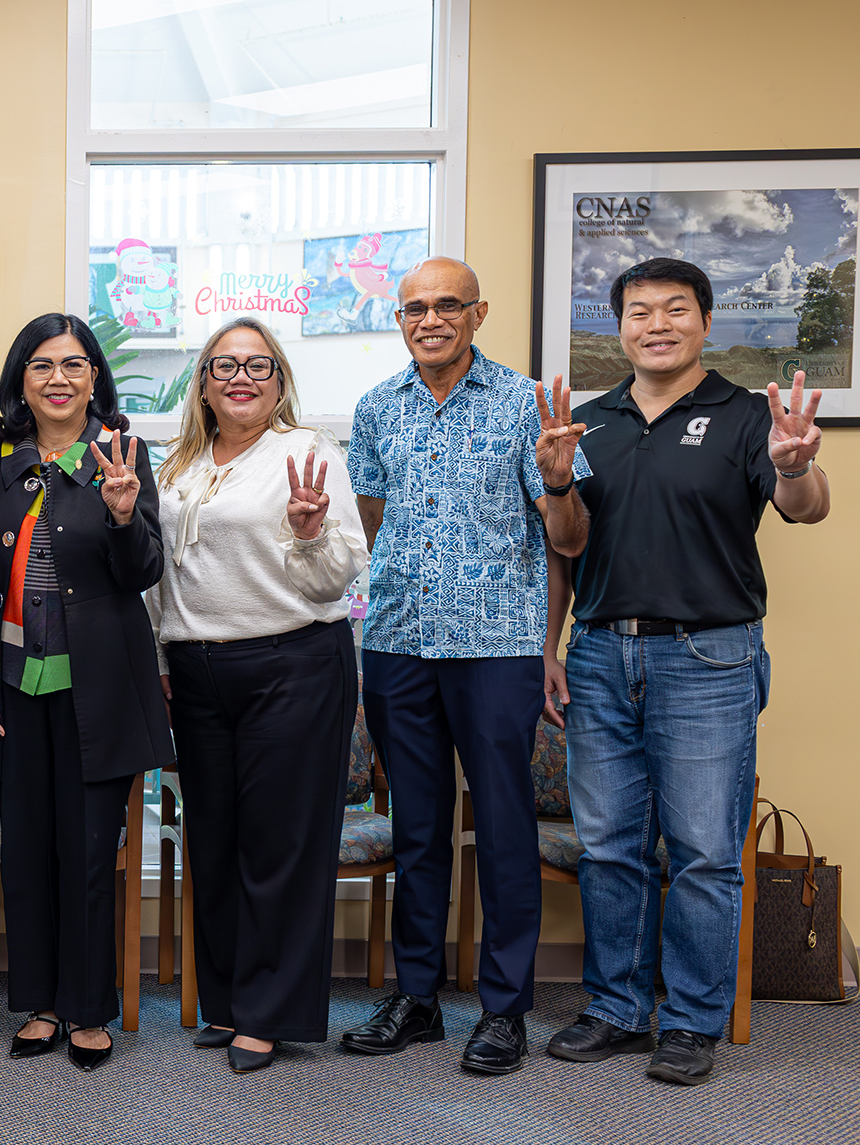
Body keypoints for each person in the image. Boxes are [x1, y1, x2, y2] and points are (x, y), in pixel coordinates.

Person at [544, 258, 832, 1085]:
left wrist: (791, 462)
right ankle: (616, 1008)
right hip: (600, 654)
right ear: (620, 326)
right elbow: (567, 543)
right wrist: (558, 483)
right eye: (639, 311)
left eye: (675, 309)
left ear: (706, 322)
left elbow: (806, 505)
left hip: (710, 655)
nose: (657, 324)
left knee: (704, 849)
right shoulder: (588, 421)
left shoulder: (746, 416)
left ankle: (692, 1020)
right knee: (609, 845)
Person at [339, 257, 591, 1075]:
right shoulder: (378, 408)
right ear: (400, 319)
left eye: (448, 304)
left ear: (479, 313)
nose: (431, 318)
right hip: (399, 645)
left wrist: (559, 485)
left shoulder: (528, 406)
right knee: (417, 827)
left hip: (498, 646)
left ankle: (504, 1008)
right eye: (415, 307)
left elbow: (571, 542)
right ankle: (417, 996)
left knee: (505, 826)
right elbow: (373, 524)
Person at [148, 317, 369, 1073]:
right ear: (203, 382)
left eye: (258, 365)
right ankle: (231, 1000)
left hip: (294, 663)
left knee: (280, 844)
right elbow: (157, 580)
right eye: (224, 365)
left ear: (278, 381)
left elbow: (340, 574)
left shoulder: (306, 455)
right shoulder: (175, 465)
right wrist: (162, 661)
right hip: (197, 670)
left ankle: (269, 1015)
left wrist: (309, 534)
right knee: (215, 839)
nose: (241, 377)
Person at [0, 313, 168, 1072]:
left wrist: (120, 514)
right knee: (29, 853)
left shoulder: (122, 454)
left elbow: (143, 570)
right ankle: (42, 1003)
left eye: (74, 365)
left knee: (85, 853)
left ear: (94, 378)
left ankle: (88, 1010)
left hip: (97, 688)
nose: (58, 378)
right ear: (22, 377)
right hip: (16, 685)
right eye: (42, 365)